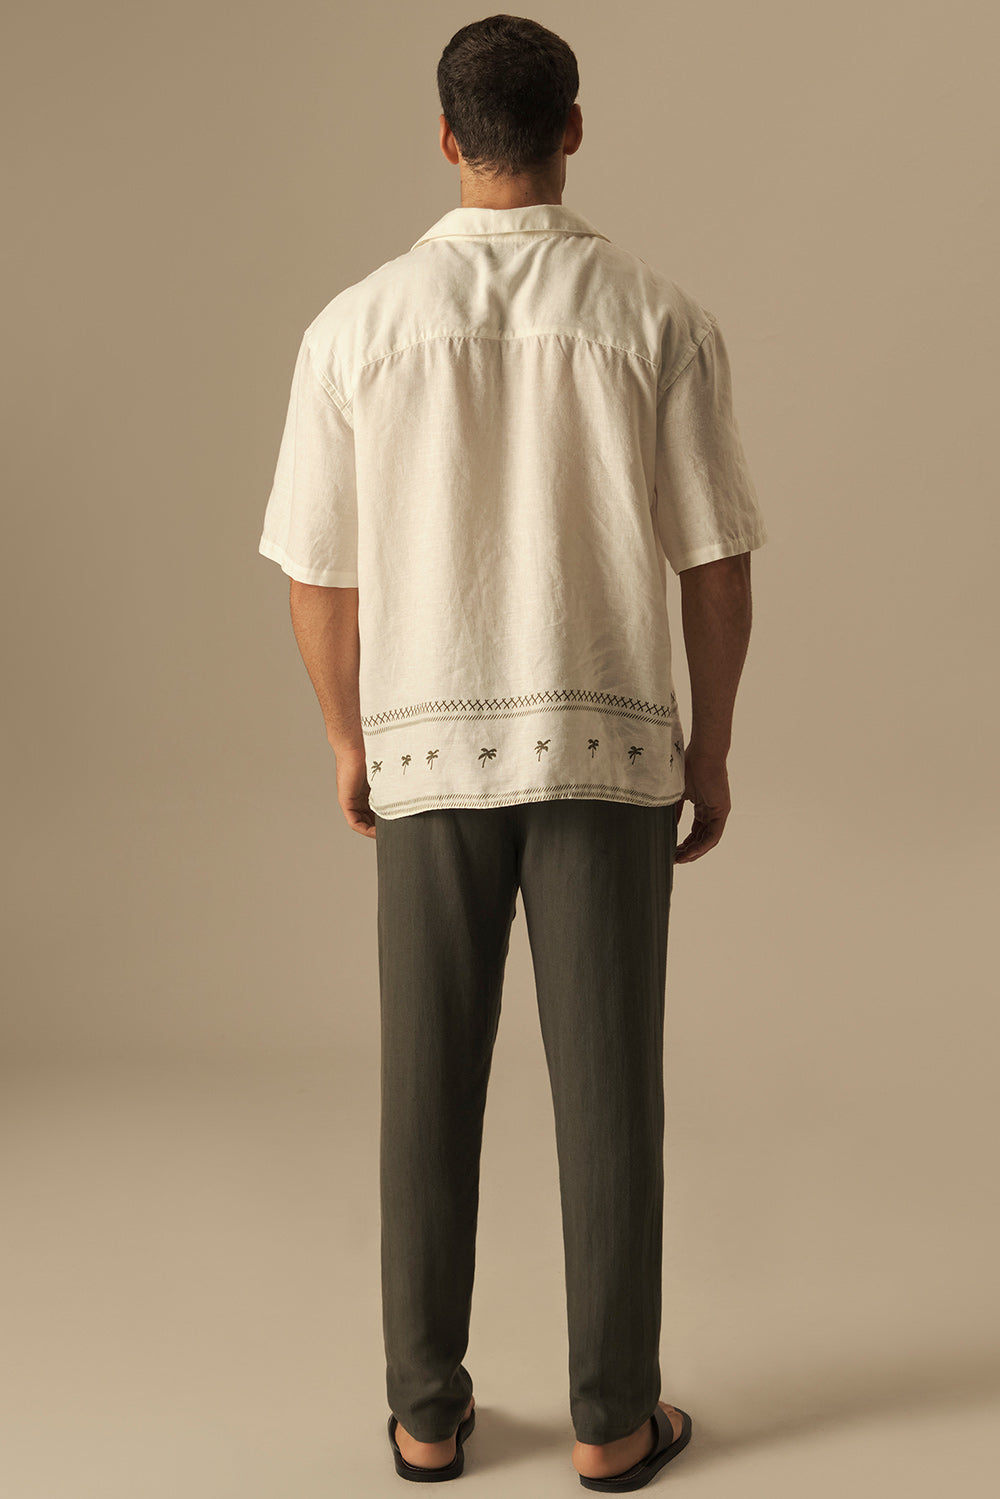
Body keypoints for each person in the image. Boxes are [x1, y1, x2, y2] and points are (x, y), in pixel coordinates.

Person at [258, 14, 767, 1490]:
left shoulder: (355, 328)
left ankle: (426, 1416)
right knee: (612, 1100)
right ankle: (613, 1421)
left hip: (424, 758)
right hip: (609, 751)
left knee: (424, 1091)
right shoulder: (660, 319)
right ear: (575, 128)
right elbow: (716, 566)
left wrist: (347, 738)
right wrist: (710, 751)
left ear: (444, 137)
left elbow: (316, 576)